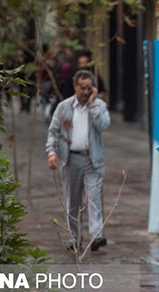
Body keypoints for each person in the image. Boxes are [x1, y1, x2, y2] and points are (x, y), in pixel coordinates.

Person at [46, 69, 110, 252]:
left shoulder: (98, 106)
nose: (85, 91)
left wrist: (93, 106)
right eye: (82, 87)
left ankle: (97, 236)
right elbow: (53, 132)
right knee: (73, 201)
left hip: (93, 160)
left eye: (89, 88)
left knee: (94, 199)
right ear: (75, 87)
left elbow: (104, 125)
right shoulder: (64, 107)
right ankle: (75, 238)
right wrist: (52, 152)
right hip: (71, 160)